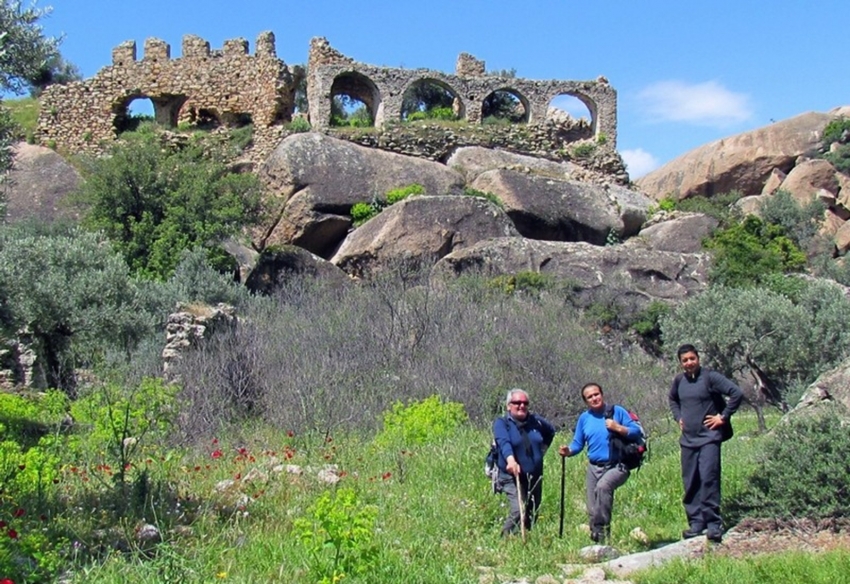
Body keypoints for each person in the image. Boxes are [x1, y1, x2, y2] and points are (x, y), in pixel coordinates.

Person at [668, 344, 743, 543]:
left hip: (709, 439)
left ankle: (713, 524)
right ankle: (696, 523)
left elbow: (736, 393)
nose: (689, 363)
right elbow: (673, 400)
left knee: (709, 479)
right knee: (691, 481)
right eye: (685, 360)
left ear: (698, 359)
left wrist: (723, 417)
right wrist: (678, 418)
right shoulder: (679, 381)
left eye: (692, 358)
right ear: (681, 363)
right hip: (688, 441)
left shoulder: (710, 377)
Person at [558, 383, 641, 544]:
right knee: (593, 508)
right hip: (594, 466)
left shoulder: (617, 412)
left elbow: (636, 430)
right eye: (590, 397)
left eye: (596, 394)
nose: (594, 398)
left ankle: (601, 535)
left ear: (602, 394)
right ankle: (598, 542)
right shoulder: (584, 418)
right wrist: (568, 451)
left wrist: (618, 427)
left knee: (603, 487)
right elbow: (578, 443)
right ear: (585, 401)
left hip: (618, 465)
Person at [492, 388, 556, 537]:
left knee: (531, 511)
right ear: (509, 406)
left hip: (534, 474)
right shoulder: (502, 423)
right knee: (518, 510)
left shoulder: (536, 422)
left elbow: (550, 432)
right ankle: (503, 539)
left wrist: (542, 452)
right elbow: (504, 442)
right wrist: (511, 460)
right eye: (517, 403)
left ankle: (526, 541)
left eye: (525, 403)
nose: (521, 406)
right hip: (511, 474)